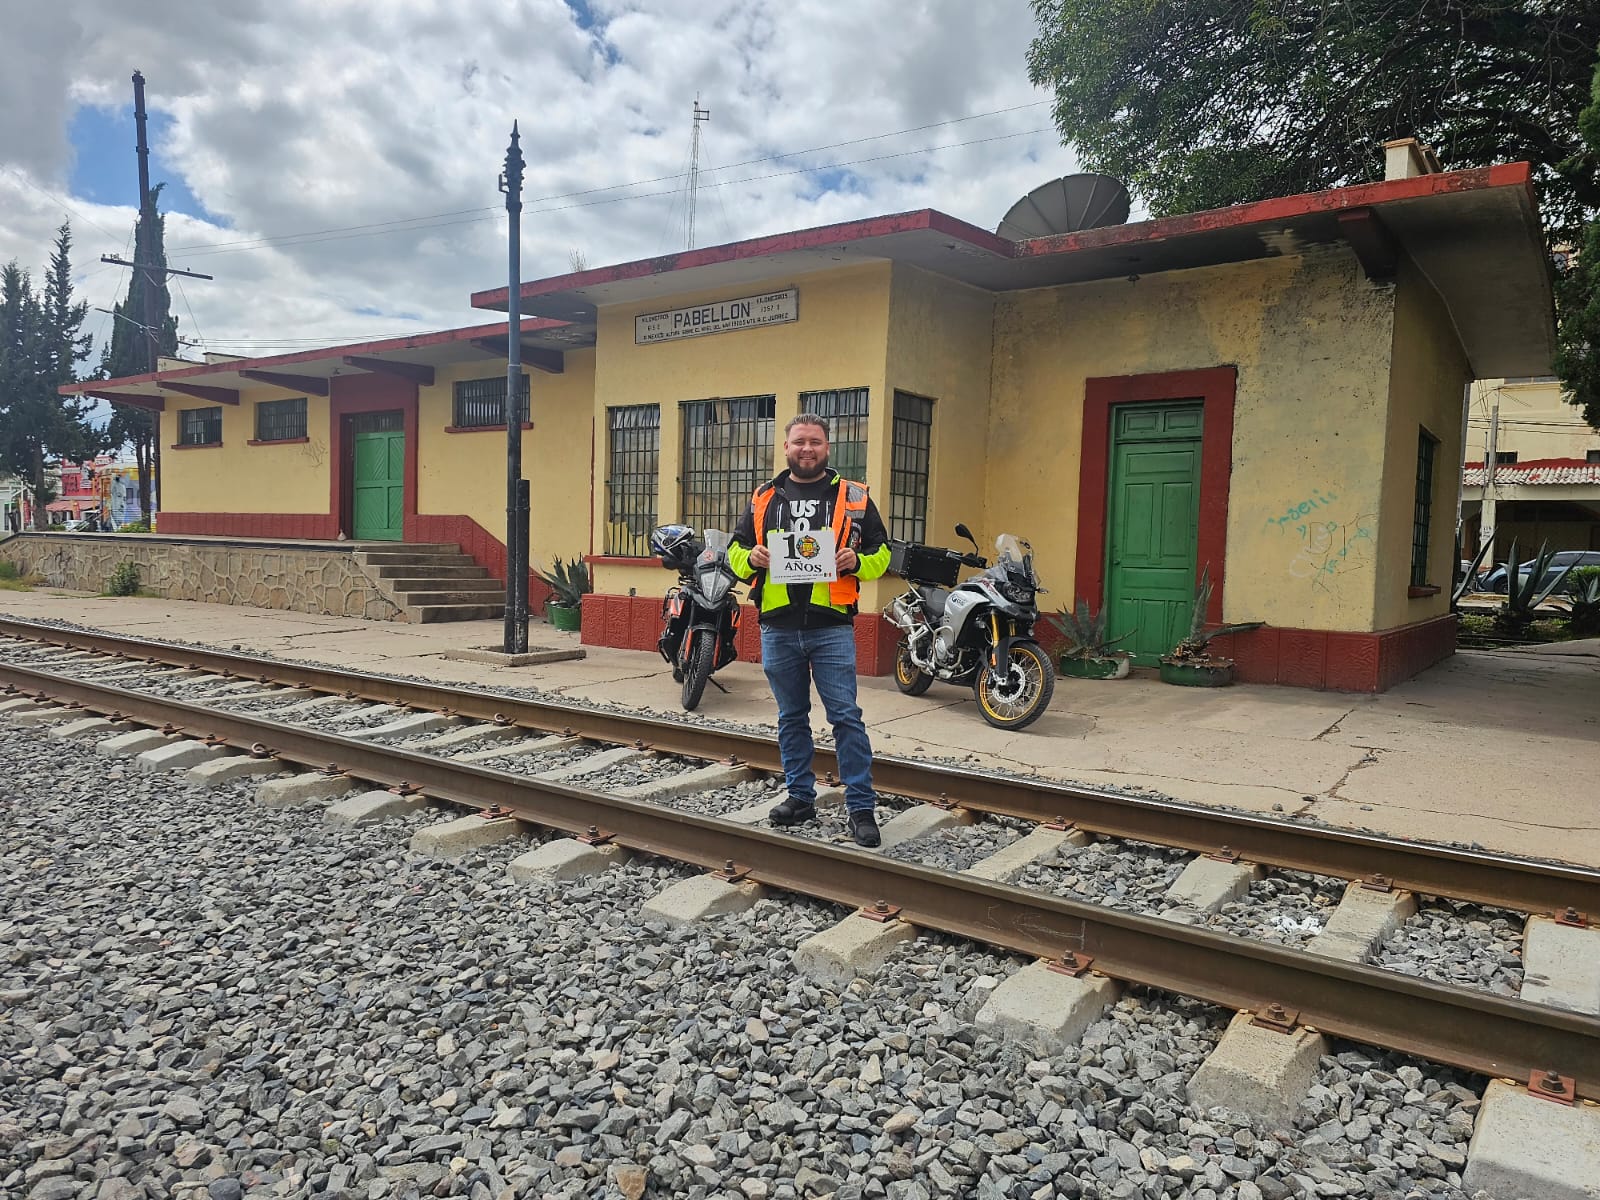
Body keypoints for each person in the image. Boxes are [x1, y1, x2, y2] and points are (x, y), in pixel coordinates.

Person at [728, 414, 892, 848]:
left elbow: (883, 552)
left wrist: (857, 562)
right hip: (778, 625)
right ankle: (800, 796)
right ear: (785, 447)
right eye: (799, 441)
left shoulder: (853, 497)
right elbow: (735, 551)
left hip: (831, 625)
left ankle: (860, 807)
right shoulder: (764, 497)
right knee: (791, 718)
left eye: (815, 442)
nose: (807, 449)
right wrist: (754, 559)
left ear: (827, 447)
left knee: (845, 718)